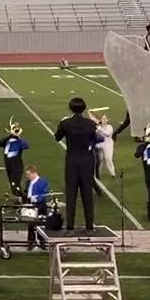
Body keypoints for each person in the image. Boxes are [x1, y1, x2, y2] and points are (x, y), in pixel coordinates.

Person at [55, 97, 101, 232]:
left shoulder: (66, 123)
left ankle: (70, 227)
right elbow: (94, 139)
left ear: (70, 108)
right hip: (87, 160)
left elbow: (57, 137)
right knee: (87, 193)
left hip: (72, 160)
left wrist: (62, 124)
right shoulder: (90, 124)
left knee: (71, 194)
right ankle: (89, 226)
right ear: (84, 108)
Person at [0, 122, 29, 196]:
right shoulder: (7, 141)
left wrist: (18, 136)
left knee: (15, 183)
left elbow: (26, 146)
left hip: (17, 166)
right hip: (8, 165)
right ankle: (18, 198)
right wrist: (10, 136)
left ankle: (21, 198)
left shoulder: (19, 141)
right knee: (12, 184)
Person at [23, 165, 50, 249]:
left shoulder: (43, 181)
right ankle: (31, 243)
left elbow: (45, 194)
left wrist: (36, 198)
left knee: (41, 225)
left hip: (40, 205)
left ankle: (42, 242)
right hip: (31, 205)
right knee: (30, 224)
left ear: (34, 173)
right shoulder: (28, 182)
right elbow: (26, 193)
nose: (27, 176)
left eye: (29, 174)